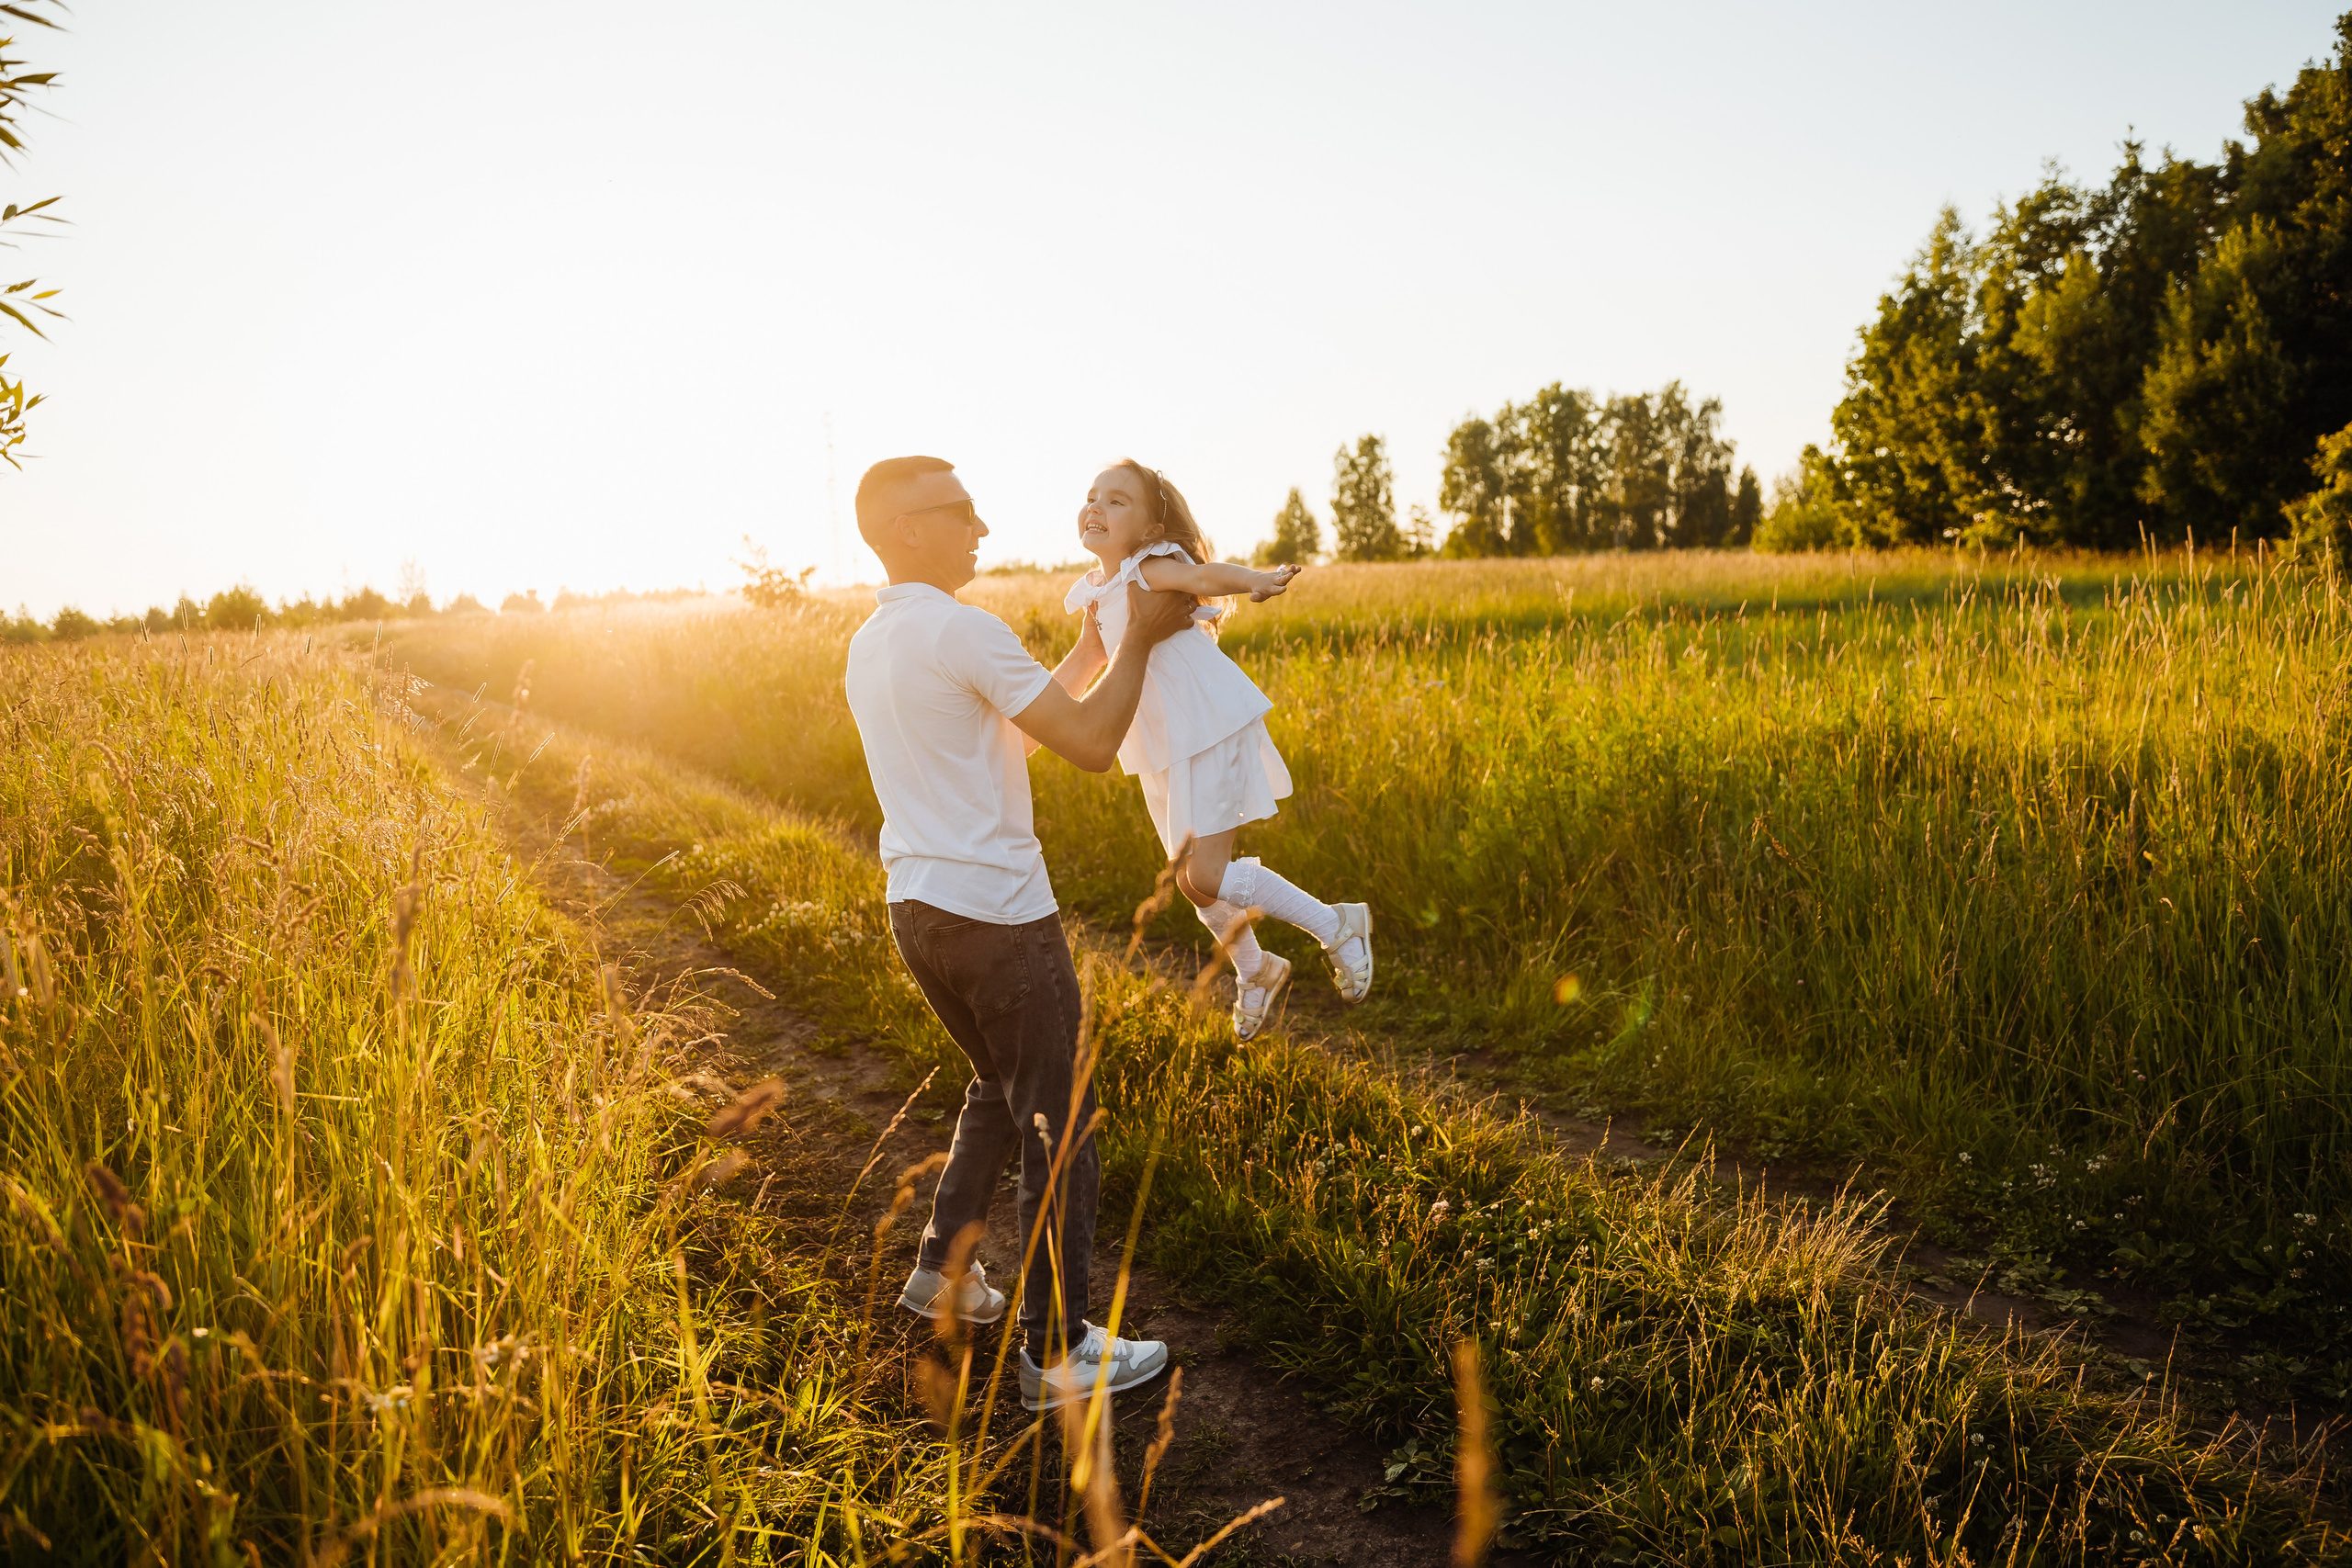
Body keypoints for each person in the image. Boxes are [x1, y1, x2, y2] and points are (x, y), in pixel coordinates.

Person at [842, 454, 1194, 1413]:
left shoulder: (875, 641)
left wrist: (1087, 651)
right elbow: (1086, 746)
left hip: (918, 909)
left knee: (998, 1093)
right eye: (959, 511)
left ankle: (943, 1272)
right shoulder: (965, 629)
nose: (981, 528)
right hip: (999, 917)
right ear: (907, 528)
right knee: (1059, 1121)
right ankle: (1058, 1351)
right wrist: (1140, 642)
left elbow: (1012, 734)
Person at [1056, 459, 1373, 1043]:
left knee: (1206, 873)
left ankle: (1338, 925)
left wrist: (1253, 579)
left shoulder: (1150, 567)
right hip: (1160, 747)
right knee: (1193, 882)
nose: (1097, 506)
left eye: (1118, 501)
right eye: (1093, 495)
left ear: (1152, 529)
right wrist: (1028, 721)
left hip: (1208, 724)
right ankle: (1257, 969)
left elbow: (1205, 578)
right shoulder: (1096, 594)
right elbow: (1084, 664)